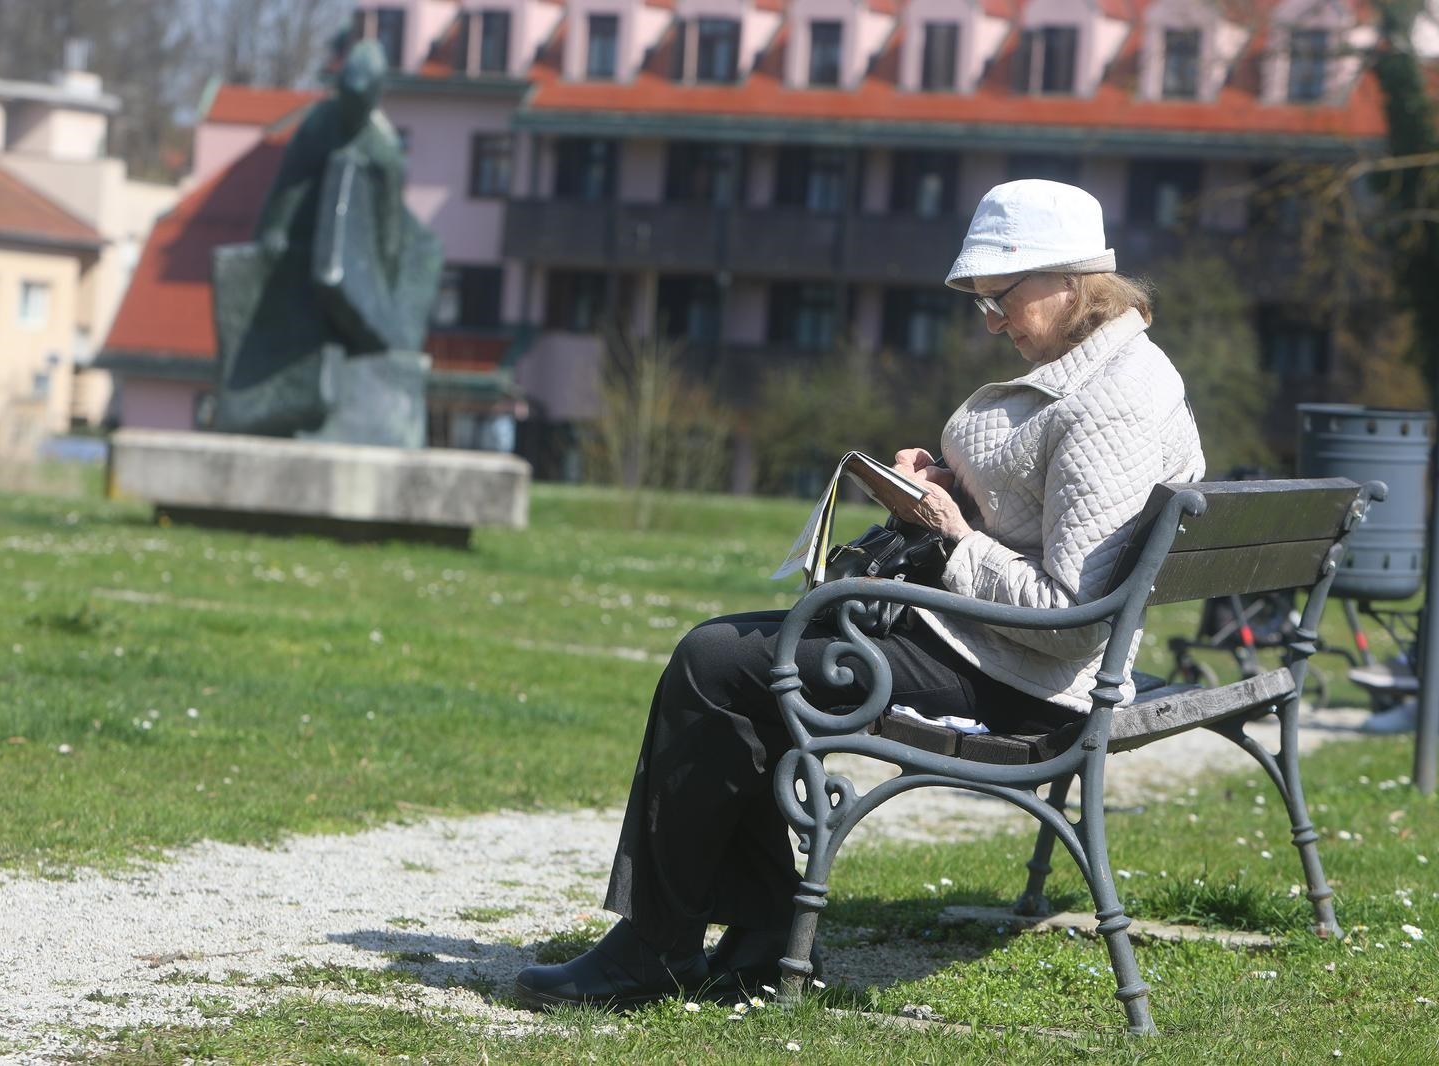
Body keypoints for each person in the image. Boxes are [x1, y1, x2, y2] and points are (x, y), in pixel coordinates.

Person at [514, 180, 1205, 1011]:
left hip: (1025, 681)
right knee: (732, 659)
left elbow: (1065, 616)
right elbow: (1056, 521)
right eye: (978, 298)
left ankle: (656, 946)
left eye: (1000, 294)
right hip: (992, 647)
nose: (988, 317)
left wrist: (951, 530)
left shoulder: (1110, 405)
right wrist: (952, 492)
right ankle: (754, 934)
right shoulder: (1107, 368)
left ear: (1072, 279)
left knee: (717, 663)